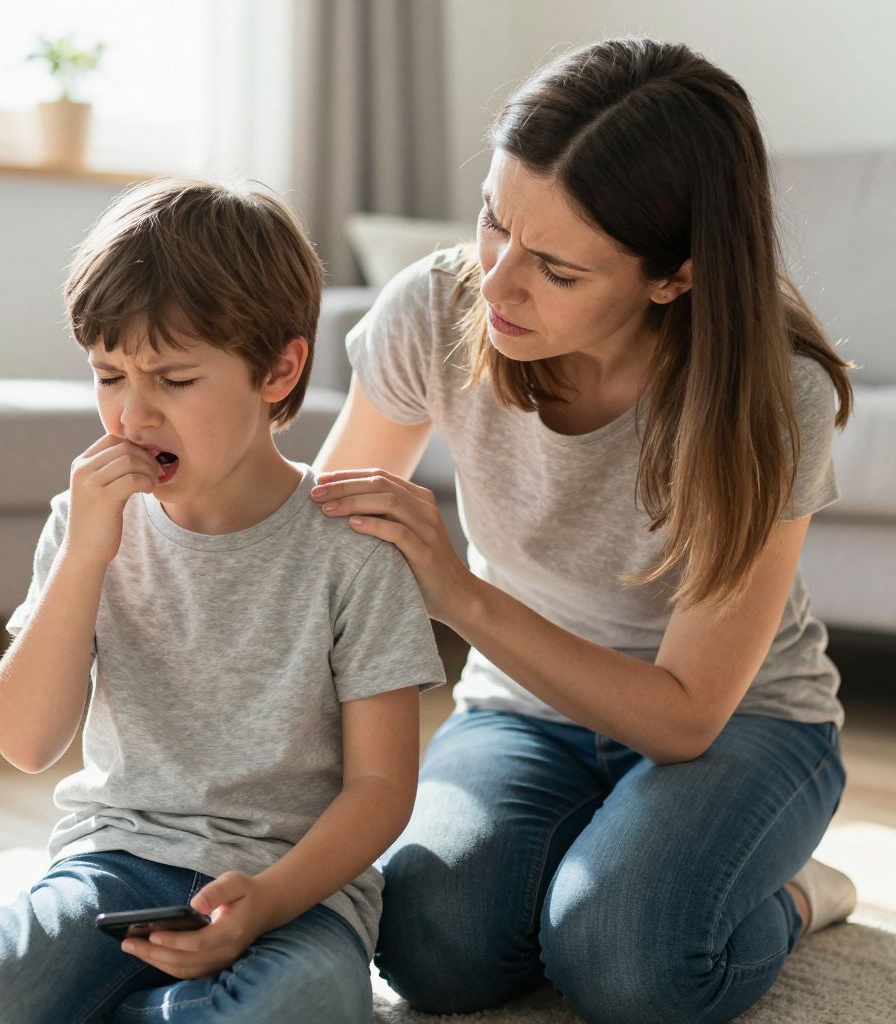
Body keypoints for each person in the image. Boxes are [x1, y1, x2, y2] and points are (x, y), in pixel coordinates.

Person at [0, 178, 446, 1024]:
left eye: (174, 379)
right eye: (108, 374)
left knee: (303, 1003)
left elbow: (381, 788)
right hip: (121, 861)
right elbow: (27, 743)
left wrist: (269, 901)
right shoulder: (86, 524)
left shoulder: (355, 543)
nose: (132, 414)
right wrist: (86, 555)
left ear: (279, 370)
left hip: (297, 888)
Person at [311, 37, 857, 1024]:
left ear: (674, 277)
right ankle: (604, 855)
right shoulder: (435, 309)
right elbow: (315, 556)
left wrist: (458, 594)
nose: (497, 283)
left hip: (743, 726)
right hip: (524, 712)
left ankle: (797, 893)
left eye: (556, 269)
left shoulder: (773, 395)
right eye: (493, 219)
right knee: (428, 945)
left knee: (627, 962)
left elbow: (685, 717)